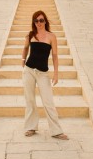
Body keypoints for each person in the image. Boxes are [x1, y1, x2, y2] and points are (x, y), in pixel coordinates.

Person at [22, 11, 68, 140]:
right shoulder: (30, 35)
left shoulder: (51, 36)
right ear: (34, 23)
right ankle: (30, 127)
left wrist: (56, 74)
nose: (39, 23)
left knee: (48, 102)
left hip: (43, 73)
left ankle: (56, 131)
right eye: (36, 21)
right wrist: (22, 60)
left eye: (41, 20)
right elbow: (25, 48)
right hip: (29, 71)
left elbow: (54, 56)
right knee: (30, 99)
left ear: (45, 21)